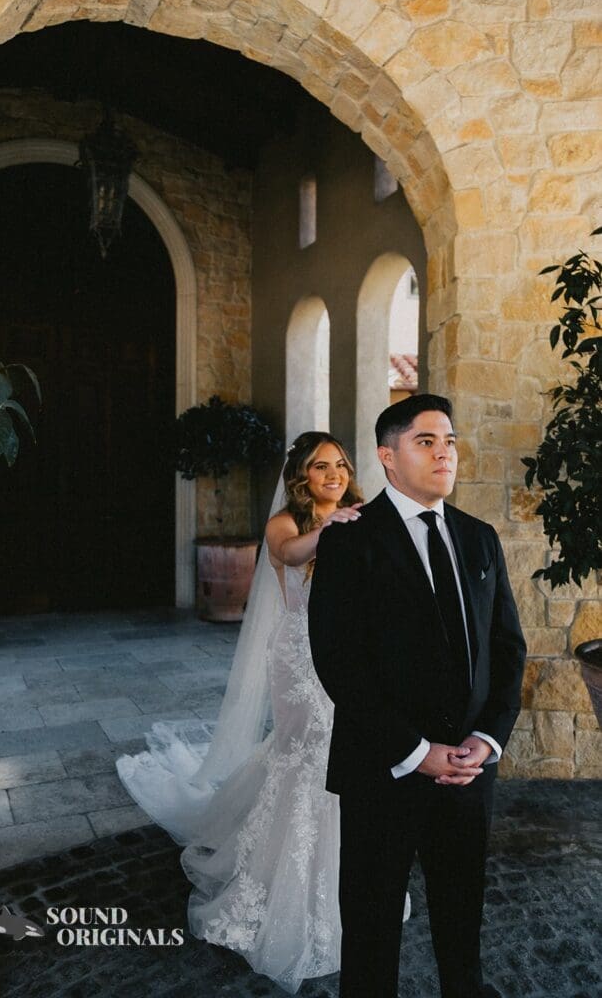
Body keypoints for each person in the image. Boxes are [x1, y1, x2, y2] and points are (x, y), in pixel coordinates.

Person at [118, 431, 366, 993]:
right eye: (321, 466)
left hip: (350, 655)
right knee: (307, 755)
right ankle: (285, 884)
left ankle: (343, 877)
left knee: (342, 756)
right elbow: (293, 555)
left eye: (341, 464)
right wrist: (333, 525)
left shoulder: (362, 513)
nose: (334, 474)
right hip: (300, 655)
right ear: (301, 476)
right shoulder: (285, 524)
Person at [308, 394, 527, 998]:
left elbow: (508, 649)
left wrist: (487, 739)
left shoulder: (480, 538)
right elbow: (339, 664)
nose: (444, 453)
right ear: (388, 456)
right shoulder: (350, 540)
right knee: (372, 927)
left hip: (468, 772)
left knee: (462, 916)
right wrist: (415, 750)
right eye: (425, 441)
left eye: (449, 441)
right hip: (384, 769)